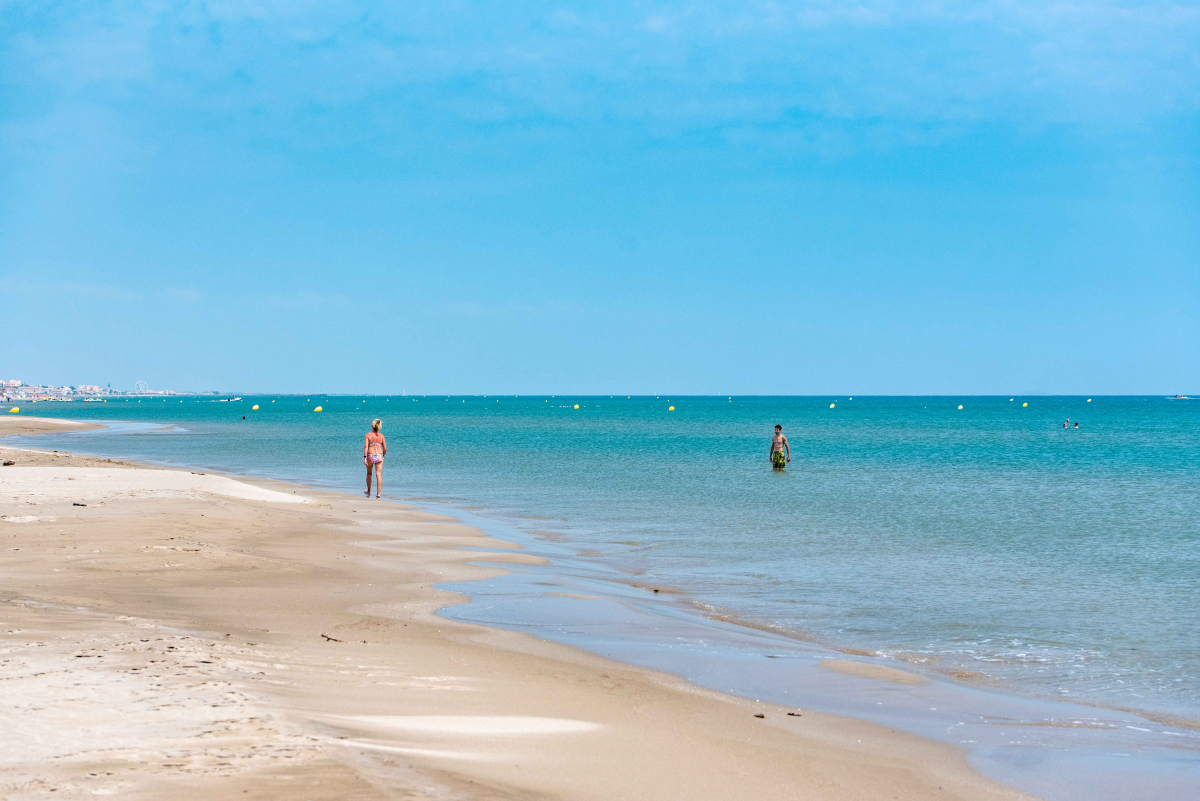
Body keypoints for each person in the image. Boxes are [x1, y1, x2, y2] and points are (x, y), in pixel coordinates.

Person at [364, 419, 386, 498]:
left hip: (370, 455)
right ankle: (378, 494)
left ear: (372, 426)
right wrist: (383, 455)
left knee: (369, 473)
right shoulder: (381, 436)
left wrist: (365, 457)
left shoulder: (368, 435)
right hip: (379, 455)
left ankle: (369, 492)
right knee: (379, 475)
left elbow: (366, 447)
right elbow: (385, 448)